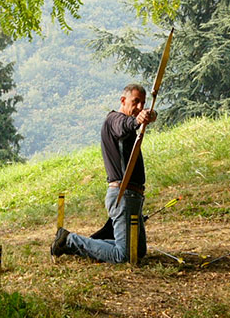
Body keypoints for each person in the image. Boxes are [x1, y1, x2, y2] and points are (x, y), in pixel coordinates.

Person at [50, 83, 157, 263]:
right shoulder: (114, 119)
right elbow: (125, 125)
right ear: (123, 100)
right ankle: (68, 241)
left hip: (133, 197)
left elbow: (134, 122)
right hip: (123, 195)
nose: (139, 106)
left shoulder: (128, 123)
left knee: (138, 252)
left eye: (143, 103)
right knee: (123, 256)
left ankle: (88, 244)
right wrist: (138, 120)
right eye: (135, 101)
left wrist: (150, 115)